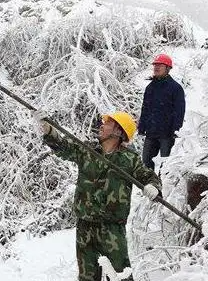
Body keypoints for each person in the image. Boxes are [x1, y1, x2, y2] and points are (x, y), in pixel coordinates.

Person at [36, 111, 161, 281]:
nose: (102, 125)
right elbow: (63, 147)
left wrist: (153, 187)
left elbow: (148, 176)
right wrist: (49, 130)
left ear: (118, 131)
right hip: (85, 226)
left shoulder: (129, 159)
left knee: (120, 276)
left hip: (111, 229)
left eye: (107, 123)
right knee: (87, 277)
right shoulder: (87, 150)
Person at [138, 53, 186, 171]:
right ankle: (149, 187)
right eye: (155, 65)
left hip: (167, 134)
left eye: (160, 65)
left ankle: (165, 188)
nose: (156, 67)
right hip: (151, 132)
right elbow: (145, 109)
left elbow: (180, 110)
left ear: (168, 68)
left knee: (166, 164)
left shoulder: (176, 88)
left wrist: (176, 129)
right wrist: (141, 126)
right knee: (146, 162)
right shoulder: (150, 88)